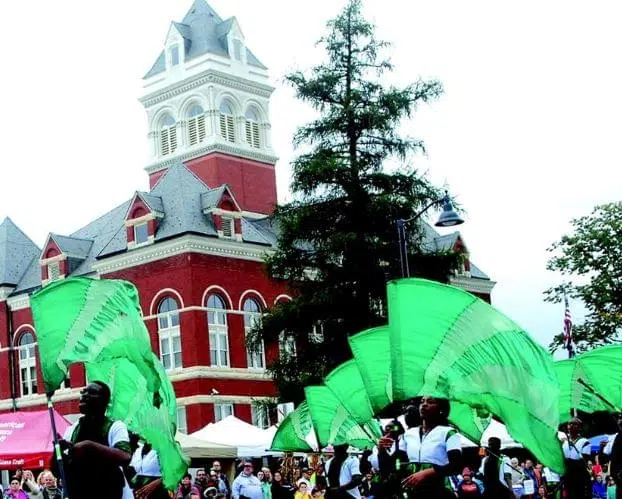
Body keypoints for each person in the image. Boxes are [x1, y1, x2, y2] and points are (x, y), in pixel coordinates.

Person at [61, 381, 132, 499]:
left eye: (92, 392)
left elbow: (125, 455)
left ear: (105, 401)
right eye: (83, 392)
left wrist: (89, 446)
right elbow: (59, 469)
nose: (84, 395)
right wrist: (57, 453)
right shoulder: (71, 430)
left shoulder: (114, 426)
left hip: (108, 492)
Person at [389, 397, 461, 499]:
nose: (424, 404)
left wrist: (428, 472)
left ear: (441, 409)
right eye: (422, 402)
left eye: (430, 402)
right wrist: (381, 450)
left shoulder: (449, 433)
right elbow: (395, 462)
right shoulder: (408, 434)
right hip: (413, 492)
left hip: (438, 490)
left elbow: (456, 465)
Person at [561, 418, 591, 499]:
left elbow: (583, 461)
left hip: (580, 478)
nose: (571, 426)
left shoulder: (585, 442)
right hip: (568, 478)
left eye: (574, 424)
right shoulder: (564, 443)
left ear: (579, 427)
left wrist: (568, 462)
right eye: (569, 424)